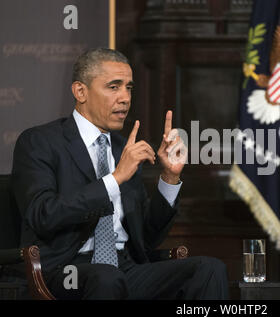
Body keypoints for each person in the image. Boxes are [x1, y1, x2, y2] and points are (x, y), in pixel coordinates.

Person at [11, 47, 229, 299]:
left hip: (125, 268)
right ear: (80, 91)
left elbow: (147, 238)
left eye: (129, 88)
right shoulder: (40, 141)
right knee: (106, 277)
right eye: (114, 87)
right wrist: (114, 179)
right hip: (66, 270)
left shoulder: (121, 147)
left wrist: (169, 177)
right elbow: (43, 214)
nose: (125, 97)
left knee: (208, 270)